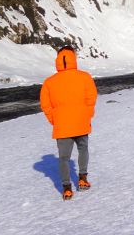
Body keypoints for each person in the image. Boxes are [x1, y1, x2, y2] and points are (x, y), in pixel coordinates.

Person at [39, 45, 98, 201]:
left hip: (62, 126)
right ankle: (83, 179)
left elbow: (45, 105)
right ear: (73, 57)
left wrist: (55, 120)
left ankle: (66, 189)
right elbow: (91, 98)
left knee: (64, 158)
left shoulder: (49, 82)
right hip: (81, 122)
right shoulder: (85, 77)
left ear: (58, 59)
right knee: (83, 149)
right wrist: (87, 115)